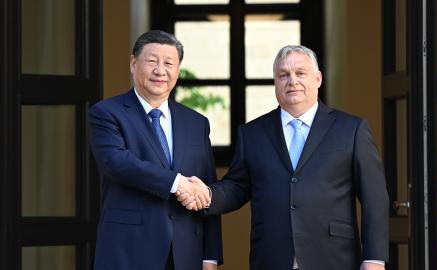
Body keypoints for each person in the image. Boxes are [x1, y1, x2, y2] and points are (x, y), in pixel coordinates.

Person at [179, 45, 389, 270]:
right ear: (275, 83)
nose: (292, 81)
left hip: (334, 257)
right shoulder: (252, 133)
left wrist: (374, 259)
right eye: (283, 75)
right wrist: (206, 195)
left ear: (318, 79)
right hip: (271, 256)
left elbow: (374, 198)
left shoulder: (351, 129)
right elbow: (238, 186)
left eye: (300, 73)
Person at [88, 30, 222, 270]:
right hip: (127, 252)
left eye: (169, 63)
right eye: (152, 61)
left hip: (186, 255)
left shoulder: (196, 123)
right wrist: (177, 183)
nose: (161, 70)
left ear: (178, 70)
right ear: (133, 64)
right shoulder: (107, 113)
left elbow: (206, 187)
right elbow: (117, 162)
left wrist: (210, 256)